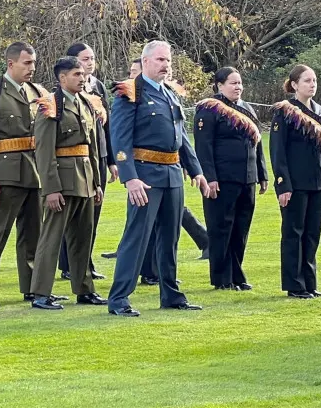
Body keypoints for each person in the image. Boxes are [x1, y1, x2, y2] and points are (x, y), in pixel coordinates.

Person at [106, 41, 209, 317]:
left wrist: (196, 170)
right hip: (145, 175)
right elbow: (120, 138)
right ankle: (119, 299)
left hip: (172, 174)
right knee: (136, 237)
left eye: (169, 61)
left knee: (170, 238)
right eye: (161, 60)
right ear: (146, 61)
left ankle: (171, 295)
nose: (166, 65)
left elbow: (182, 137)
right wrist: (130, 178)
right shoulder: (130, 93)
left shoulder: (170, 94)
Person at [0, 42, 47, 308]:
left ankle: (31, 288)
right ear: (11, 63)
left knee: (33, 233)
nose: (32, 68)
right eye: (27, 63)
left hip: (33, 172)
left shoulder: (37, 92)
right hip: (4, 174)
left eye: (33, 63)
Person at [29, 57, 106, 308]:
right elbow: (44, 151)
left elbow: (91, 147)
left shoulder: (86, 103)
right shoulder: (51, 106)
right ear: (62, 78)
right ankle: (41, 293)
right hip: (62, 180)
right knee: (51, 238)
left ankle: (84, 289)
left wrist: (96, 183)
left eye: (83, 74)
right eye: (76, 74)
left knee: (83, 238)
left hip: (84, 179)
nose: (82, 78)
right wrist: (51, 189)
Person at [270, 64, 321, 299]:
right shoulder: (284, 111)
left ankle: (309, 282)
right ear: (294, 85)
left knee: (312, 234)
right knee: (294, 233)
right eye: (307, 81)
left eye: (314, 80)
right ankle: (294, 284)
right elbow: (277, 151)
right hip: (295, 183)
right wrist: (283, 185)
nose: (312, 85)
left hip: (318, 183)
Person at [196, 67, 268, 291]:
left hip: (247, 178)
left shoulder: (247, 109)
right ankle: (221, 277)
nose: (238, 87)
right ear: (219, 85)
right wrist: (210, 177)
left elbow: (257, 142)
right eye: (232, 83)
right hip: (222, 178)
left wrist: (262, 173)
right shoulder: (209, 109)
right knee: (221, 228)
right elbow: (203, 146)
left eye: (239, 83)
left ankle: (237, 273)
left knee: (241, 228)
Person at [59, 43, 116, 283]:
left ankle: (85, 262)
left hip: (98, 155)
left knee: (93, 212)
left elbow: (106, 126)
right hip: (74, 159)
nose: (90, 62)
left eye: (92, 57)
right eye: (85, 58)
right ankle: (68, 264)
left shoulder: (98, 87)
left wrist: (112, 160)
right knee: (72, 215)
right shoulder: (63, 93)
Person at [100, 57, 143, 261]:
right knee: (138, 218)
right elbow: (118, 136)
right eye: (131, 71)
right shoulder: (125, 95)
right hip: (138, 166)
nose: (131, 76)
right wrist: (124, 170)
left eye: (136, 72)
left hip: (164, 167)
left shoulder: (164, 93)